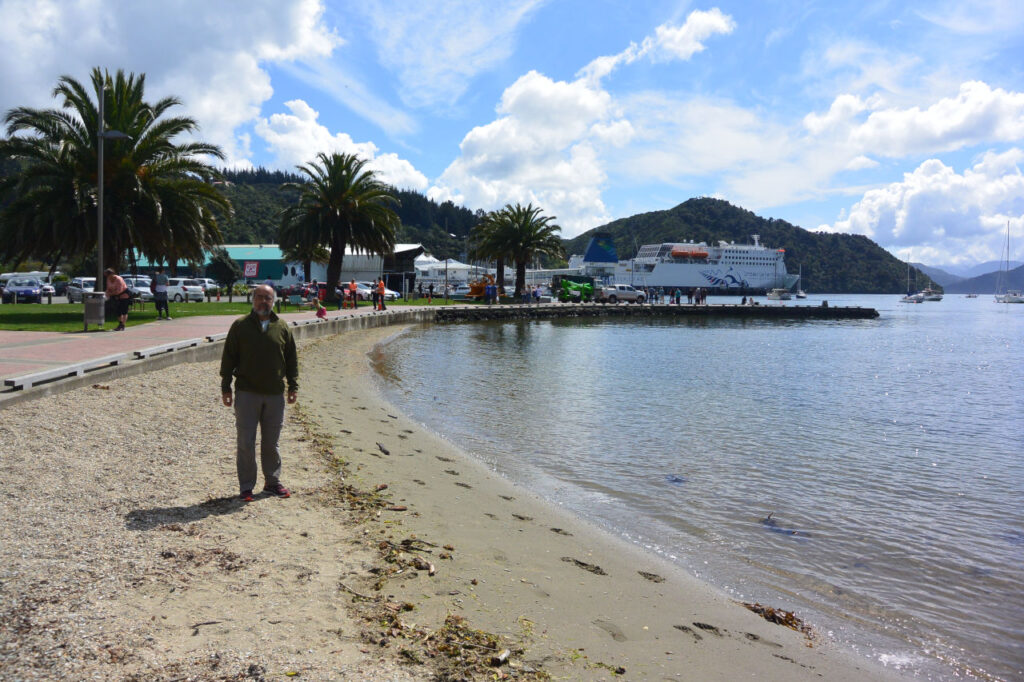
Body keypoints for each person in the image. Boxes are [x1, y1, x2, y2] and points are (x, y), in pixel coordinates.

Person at [220, 284, 298, 502]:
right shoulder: (240, 326)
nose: (264, 301)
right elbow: (228, 358)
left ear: (274, 301)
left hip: (275, 394)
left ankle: (272, 482)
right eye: (260, 297)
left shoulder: (282, 326)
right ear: (253, 299)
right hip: (247, 393)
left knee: (271, 443)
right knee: (245, 441)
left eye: (268, 298)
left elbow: (291, 359)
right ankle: (246, 487)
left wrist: (293, 386)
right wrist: (226, 387)